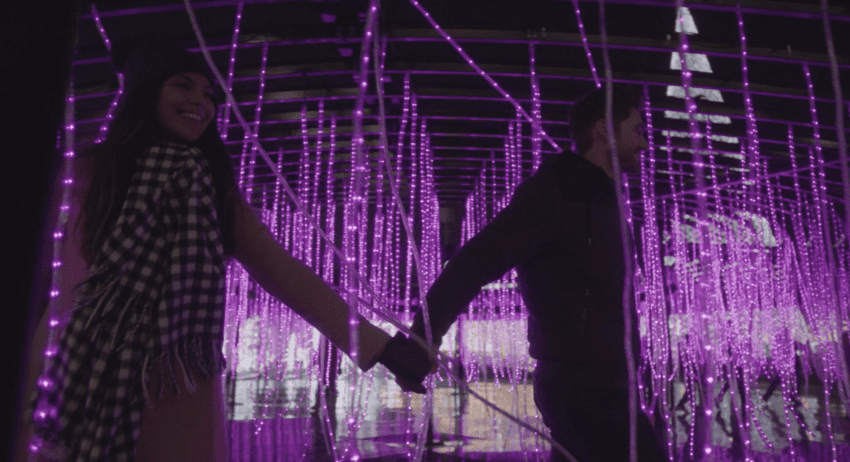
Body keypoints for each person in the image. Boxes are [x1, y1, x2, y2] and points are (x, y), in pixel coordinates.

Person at [23, 37, 431, 462]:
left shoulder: (214, 191)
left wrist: (381, 347)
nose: (200, 102)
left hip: (172, 383)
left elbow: (283, 273)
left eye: (208, 94)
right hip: (71, 367)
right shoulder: (80, 172)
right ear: (146, 93)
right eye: (183, 85)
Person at [409, 85, 667, 461]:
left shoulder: (605, 200)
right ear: (602, 129)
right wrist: (422, 339)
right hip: (581, 386)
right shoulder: (555, 193)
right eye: (639, 129)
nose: (644, 143)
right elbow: (476, 260)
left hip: (608, 383)